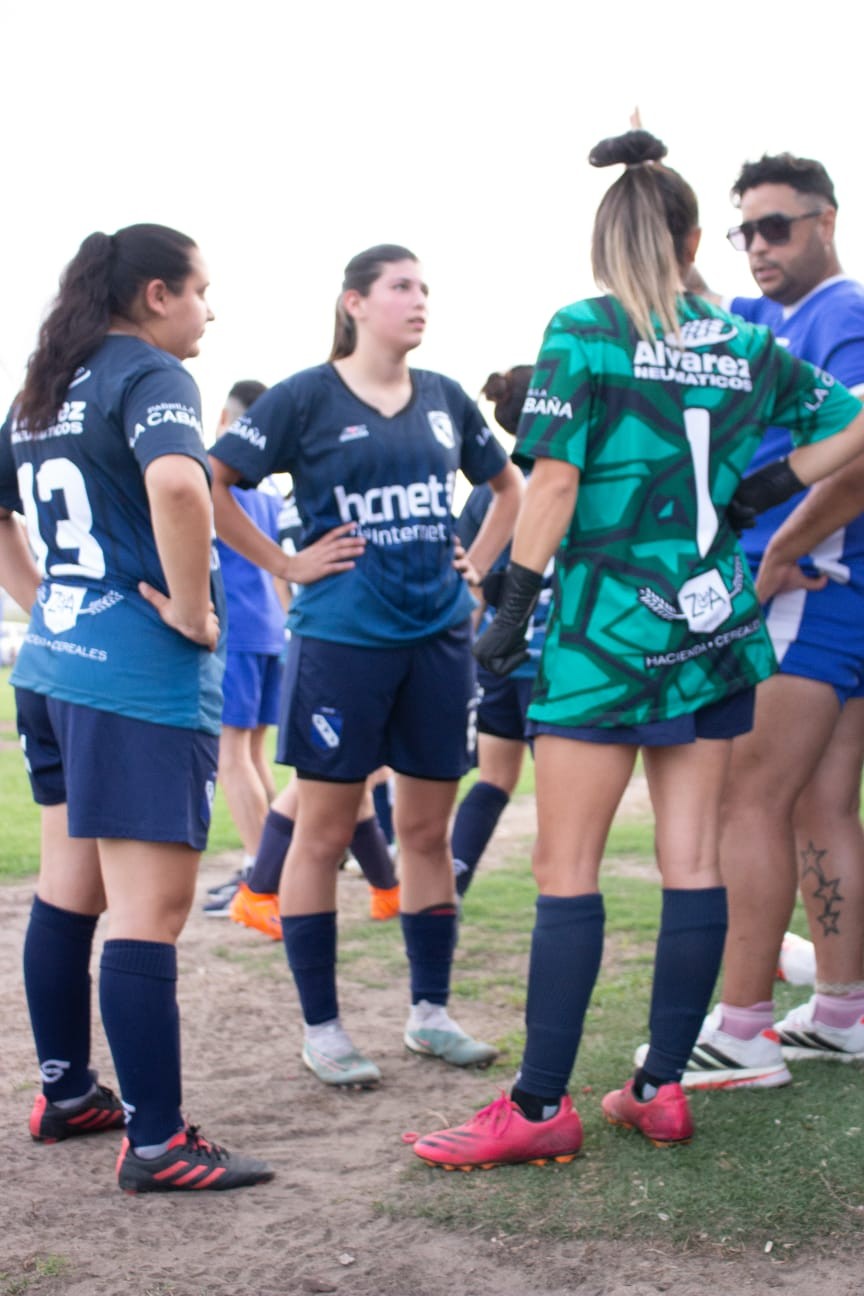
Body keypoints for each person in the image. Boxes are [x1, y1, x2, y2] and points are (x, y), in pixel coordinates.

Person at [411, 130, 864, 1171]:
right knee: (692, 860)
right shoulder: (741, 339)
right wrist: (769, 483)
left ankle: (538, 1105)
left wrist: (511, 606)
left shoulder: (585, 329)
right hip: (710, 630)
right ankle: (660, 1089)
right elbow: (854, 425)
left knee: (567, 866)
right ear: (696, 239)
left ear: (603, 240)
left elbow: (556, 484)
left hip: (604, 632)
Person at [208, 243, 522, 1087]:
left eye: (425, 287)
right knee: (322, 830)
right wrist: (284, 563)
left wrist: (477, 568)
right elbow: (211, 481)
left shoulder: (446, 398)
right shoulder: (305, 397)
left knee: (424, 832)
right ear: (355, 303)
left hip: (437, 640)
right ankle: (325, 1030)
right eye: (401, 287)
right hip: (341, 641)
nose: (420, 301)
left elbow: (510, 490)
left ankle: (430, 1014)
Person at [0, 224, 273, 1193]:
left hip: (53, 669)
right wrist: (194, 610)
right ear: (157, 294)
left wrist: (45, 604)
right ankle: (158, 1143)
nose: (209, 311)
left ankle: (68, 1092)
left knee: (68, 893)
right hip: (135, 683)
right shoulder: (150, 375)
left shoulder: (42, 388)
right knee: (147, 914)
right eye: (200, 291)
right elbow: (178, 486)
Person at [673, 154, 864, 1086]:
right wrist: (652, 182)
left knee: (747, 798)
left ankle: (743, 1029)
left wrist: (782, 554)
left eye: (776, 226)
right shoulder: (768, 317)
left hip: (809, 585)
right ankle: (840, 1011)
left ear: (827, 221)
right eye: (744, 229)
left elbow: (859, 451)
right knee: (820, 804)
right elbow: (686, 288)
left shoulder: (842, 313)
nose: (757, 245)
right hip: (835, 593)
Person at [451, 366, 551, 899]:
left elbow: (467, 588)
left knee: (493, 780)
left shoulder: (487, 493)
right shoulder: (565, 481)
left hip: (493, 662)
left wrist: (462, 664)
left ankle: (450, 885)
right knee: (562, 799)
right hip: (550, 662)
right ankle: (559, 905)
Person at [202, 379, 290, 918]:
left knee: (231, 755)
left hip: (237, 630)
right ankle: (271, 866)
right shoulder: (268, 486)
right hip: (269, 629)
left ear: (224, 418)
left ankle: (262, 877)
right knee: (252, 754)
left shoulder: (219, 478)